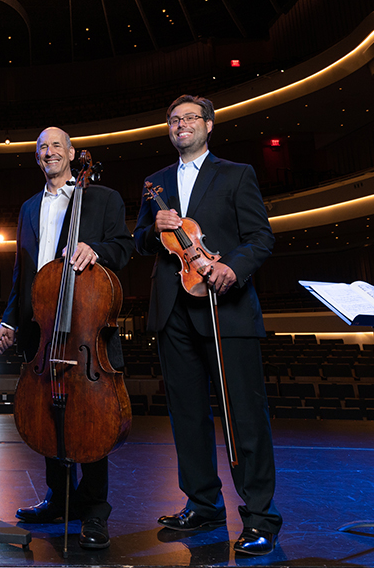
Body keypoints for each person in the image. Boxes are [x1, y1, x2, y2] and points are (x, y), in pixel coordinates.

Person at [133, 95, 281, 556]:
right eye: (173, 119)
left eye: (189, 118)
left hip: (226, 307)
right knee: (187, 415)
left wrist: (233, 268)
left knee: (243, 416)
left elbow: (261, 237)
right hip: (174, 309)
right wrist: (151, 227)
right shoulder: (155, 184)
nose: (180, 125)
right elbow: (139, 242)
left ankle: (259, 517)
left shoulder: (237, 174)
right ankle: (203, 504)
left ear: (209, 126)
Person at [0, 127, 133, 550]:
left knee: (91, 417)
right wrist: (9, 321)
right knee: (48, 412)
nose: (49, 152)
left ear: (72, 154)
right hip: (45, 329)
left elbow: (124, 248)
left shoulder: (102, 197)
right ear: (37, 158)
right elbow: (23, 276)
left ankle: (95, 510)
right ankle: (58, 496)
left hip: (87, 325)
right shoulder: (30, 207)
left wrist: (96, 250)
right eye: (42, 148)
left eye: (57, 145)